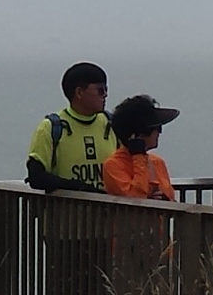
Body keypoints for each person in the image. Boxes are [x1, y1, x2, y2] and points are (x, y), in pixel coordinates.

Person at [26, 62, 117, 193]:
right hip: (65, 213)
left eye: (106, 89)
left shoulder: (112, 124)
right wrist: (80, 188)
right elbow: (36, 177)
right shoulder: (50, 128)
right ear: (79, 92)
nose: (105, 95)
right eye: (100, 90)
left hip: (107, 213)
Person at [100, 95, 179, 201]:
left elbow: (172, 199)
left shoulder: (158, 162)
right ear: (139, 134)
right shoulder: (113, 166)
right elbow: (136, 198)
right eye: (156, 128)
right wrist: (138, 156)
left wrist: (166, 201)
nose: (160, 132)